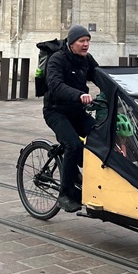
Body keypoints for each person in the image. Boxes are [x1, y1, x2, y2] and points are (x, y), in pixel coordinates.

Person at [43, 25, 99, 213]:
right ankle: (64, 195)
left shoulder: (87, 60)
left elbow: (102, 77)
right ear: (71, 43)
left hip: (77, 112)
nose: (86, 44)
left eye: (88, 40)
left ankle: (83, 175)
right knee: (73, 145)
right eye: (82, 41)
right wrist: (79, 95)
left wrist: (120, 89)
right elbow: (56, 85)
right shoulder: (57, 59)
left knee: (100, 134)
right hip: (56, 111)